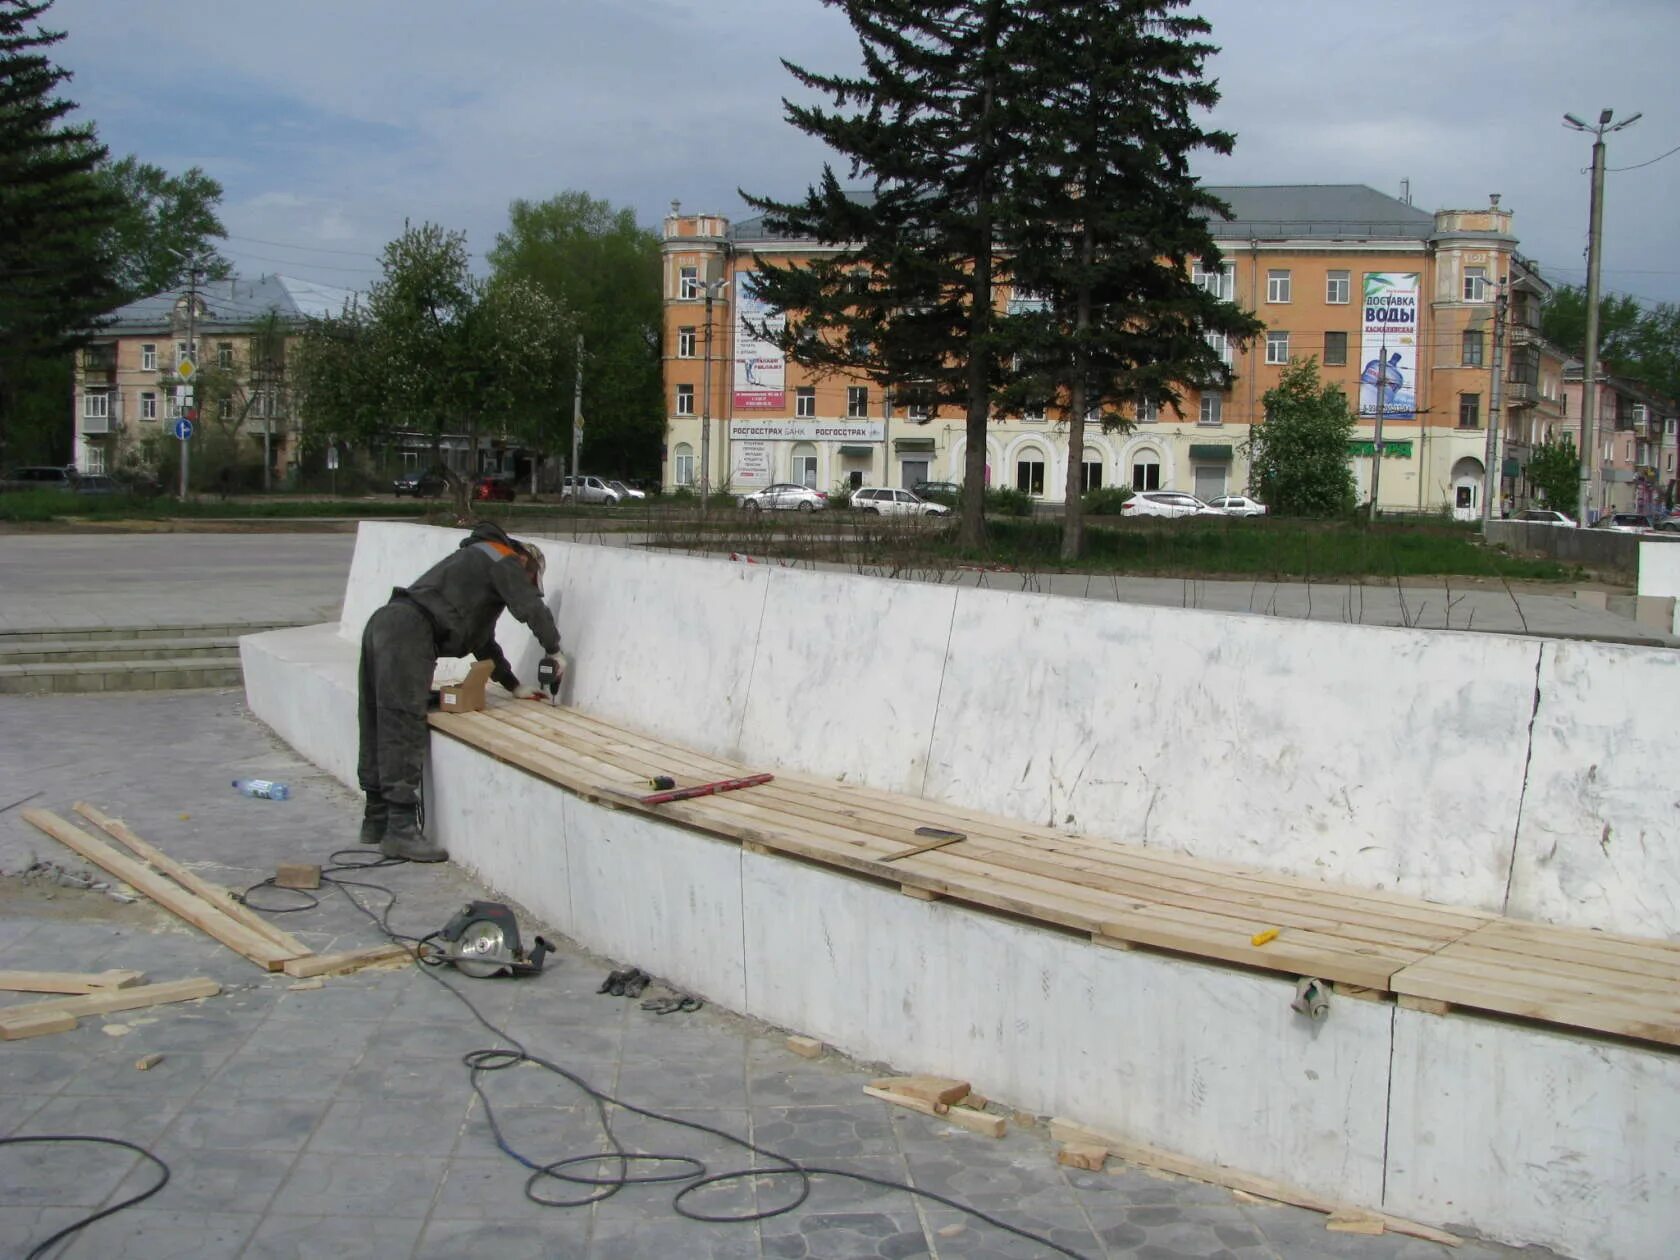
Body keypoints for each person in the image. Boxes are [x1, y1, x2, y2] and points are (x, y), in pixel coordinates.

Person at [357, 521, 562, 861]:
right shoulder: (503, 557)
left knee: (376, 717)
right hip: (410, 630)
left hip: (386, 622)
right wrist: (555, 650)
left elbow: (483, 643)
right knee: (403, 722)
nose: (522, 584)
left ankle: (375, 818)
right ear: (525, 561)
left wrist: (515, 686)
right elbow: (530, 608)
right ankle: (400, 829)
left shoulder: (474, 566)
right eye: (526, 580)